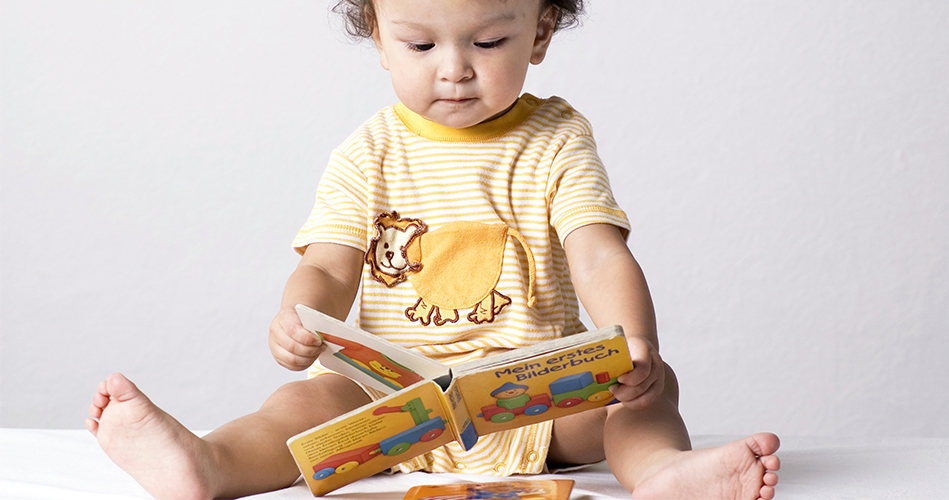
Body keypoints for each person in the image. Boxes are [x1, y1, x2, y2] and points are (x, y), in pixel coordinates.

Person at [86, 1, 781, 499]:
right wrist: (297, 316)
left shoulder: (556, 138)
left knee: (646, 395)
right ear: (379, 39)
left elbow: (597, 253)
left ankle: (660, 474)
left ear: (538, 31)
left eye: (487, 41)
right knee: (299, 405)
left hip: (536, 401)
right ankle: (208, 465)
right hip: (393, 404)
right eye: (420, 46)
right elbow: (327, 265)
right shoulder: (369, 151)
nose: (453, 70)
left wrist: (634, 344)